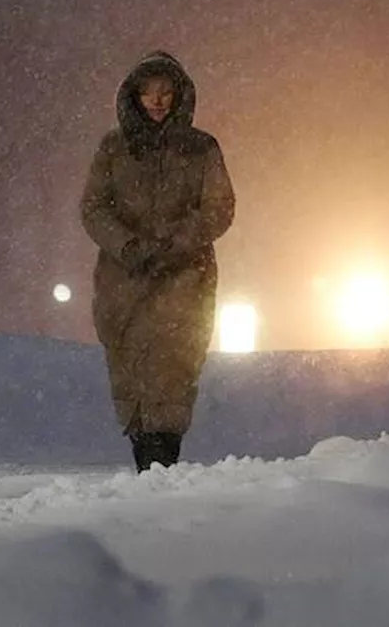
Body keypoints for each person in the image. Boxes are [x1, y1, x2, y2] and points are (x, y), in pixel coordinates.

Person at [79, 51, 236, 472]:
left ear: (180, 95)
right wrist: (127, 246)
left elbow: (219, 208)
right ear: (134, 95)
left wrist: (173, 245)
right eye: (150, 92)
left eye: (167, 92)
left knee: (174, 372)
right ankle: (147, 468)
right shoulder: (113, 148)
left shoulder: (202, 149)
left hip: (183, 280)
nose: (158, 101)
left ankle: (161, 470)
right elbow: (93, 207)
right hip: (122, 280)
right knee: (130, 373)